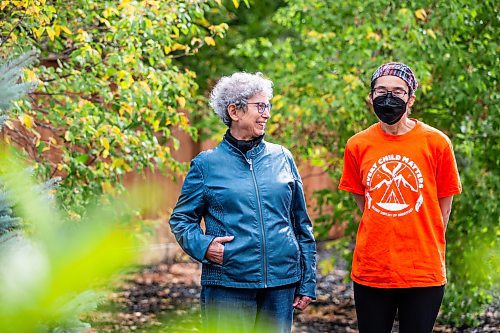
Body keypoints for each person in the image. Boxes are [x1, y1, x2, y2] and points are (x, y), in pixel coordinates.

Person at [169, 72, 316, 333]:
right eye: (260, 106)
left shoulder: (282, 157)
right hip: (228, 283)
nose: (266, 114)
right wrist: (204, 246)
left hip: (281, 284)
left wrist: (307, 281)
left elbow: (301, 224)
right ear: (234, 111)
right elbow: (181, 220)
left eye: (267, 106)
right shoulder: (206, 164)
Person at [338, 62, 462, 333]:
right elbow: (365, 201)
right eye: (381, 91)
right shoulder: (357, 145)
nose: (388, 97)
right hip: (372, 269)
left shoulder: (437, 142)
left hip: (422, 270)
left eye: (398, 91)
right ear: (370, 98)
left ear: (411, 98)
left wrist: (422, 236)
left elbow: (444, 206)